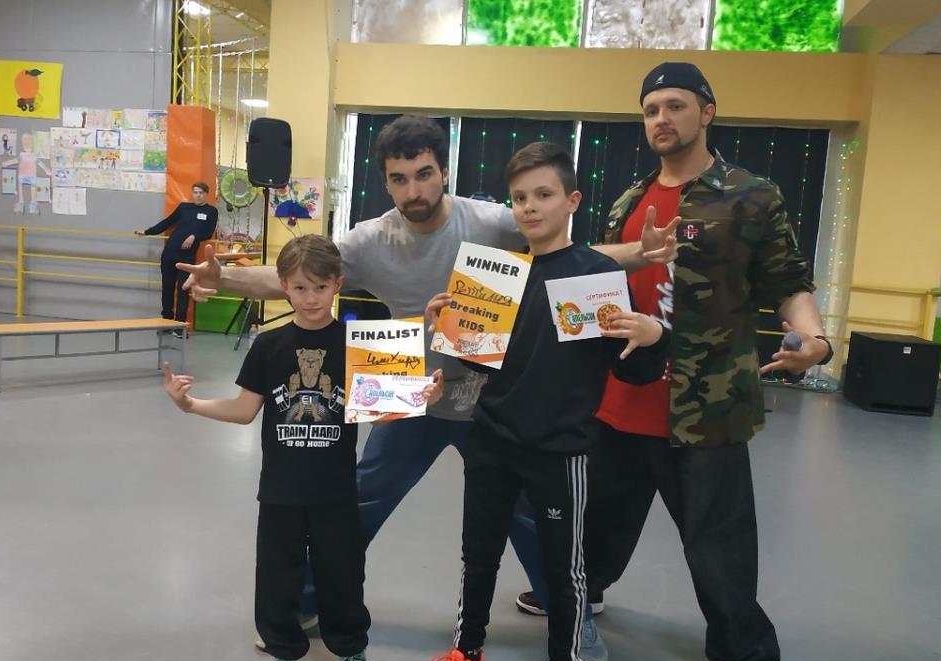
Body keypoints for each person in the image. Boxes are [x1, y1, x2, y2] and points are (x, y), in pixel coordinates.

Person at [177, 116, 679, 620]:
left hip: (488, 395)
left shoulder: (493, 222)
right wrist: (223, 278)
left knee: (525, 513)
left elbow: (571, 257)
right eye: (399, 179)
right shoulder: (370, 240)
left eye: (423, 174)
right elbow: (296, 276)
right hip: (407, 387)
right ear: (385, 183)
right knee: (362, 498)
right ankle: (309, 600)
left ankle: (572, 616)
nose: (413, 190)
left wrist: (642, 252)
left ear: (444, 172)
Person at [521, 62, 831, 661]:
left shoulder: (749, 196)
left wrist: (814, 339)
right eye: (651, 108)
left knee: (718, 551)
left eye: (676, 105)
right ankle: (582, 596)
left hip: (705, 409)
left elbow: (788, 282)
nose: (661, 119)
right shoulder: (630, 198)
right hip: (618, 403)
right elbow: (596, 276)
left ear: (707, 112)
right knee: (598, 526)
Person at [411, 142, 669, 661]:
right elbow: (479, 363)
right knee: (478, 555)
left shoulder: (595, 276)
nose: (529, 207)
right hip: (492, 440)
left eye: (543, 195)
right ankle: (468, 654)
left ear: (572, 201)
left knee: (564, 570)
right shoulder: (498, 275)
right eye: (520, 198)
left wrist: (654, 334)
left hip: (561, 450)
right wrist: (444, 327)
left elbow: (630, 369)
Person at [163, 235, 435, 661]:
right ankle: (285, 659)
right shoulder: (269, 346)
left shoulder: (357, 346)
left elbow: (379, 410)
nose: (311, 299)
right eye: (301, 288)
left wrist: (419, 398)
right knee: (277, 578)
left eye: (321, 287)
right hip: (281, 492)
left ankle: (351, 652)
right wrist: (191, 405)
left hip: (336, 492)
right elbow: (244, 410)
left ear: (338, 285)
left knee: (343, 574)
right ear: (284, 287)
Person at [135, 182, 218, 331]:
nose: (198, 195)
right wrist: (147, 232)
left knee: (183, 289)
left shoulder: (211, 211)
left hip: (186, 257)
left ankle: (179, 325)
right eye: (195, 192)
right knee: (167, 287)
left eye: (201, 193)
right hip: (170, 252)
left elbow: (208, 233)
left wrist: (194, 236)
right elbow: (167, 222)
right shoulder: (184, 207)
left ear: (206, 194)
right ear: (192, 193)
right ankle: (166, 322)